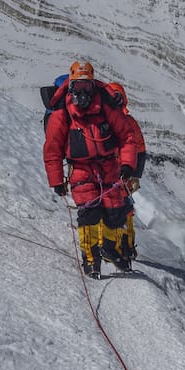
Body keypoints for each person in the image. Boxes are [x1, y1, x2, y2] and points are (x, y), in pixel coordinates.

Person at [44, 61, 141, 277]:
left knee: (115, 213)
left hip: (109, 167)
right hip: (80, 169)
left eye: (86, 87)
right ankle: (90, 260)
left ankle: (110, 249)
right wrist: (57, 180)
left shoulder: (106, 105)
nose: (82, 94)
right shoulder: (62, 112)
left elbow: (126, 136)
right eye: (77, 87)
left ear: (93, 86)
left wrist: (127, 164)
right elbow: (53, 147)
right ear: (70, 86)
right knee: (89, 214)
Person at [103, 81, 146, 259]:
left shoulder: (126, 122)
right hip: (111, 174)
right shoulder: (121, 122)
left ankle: (121, 247)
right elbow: (141, 150)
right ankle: (118, 246)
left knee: (122, 208)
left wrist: (135, 175)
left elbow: (140, 150)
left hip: (122, 174)